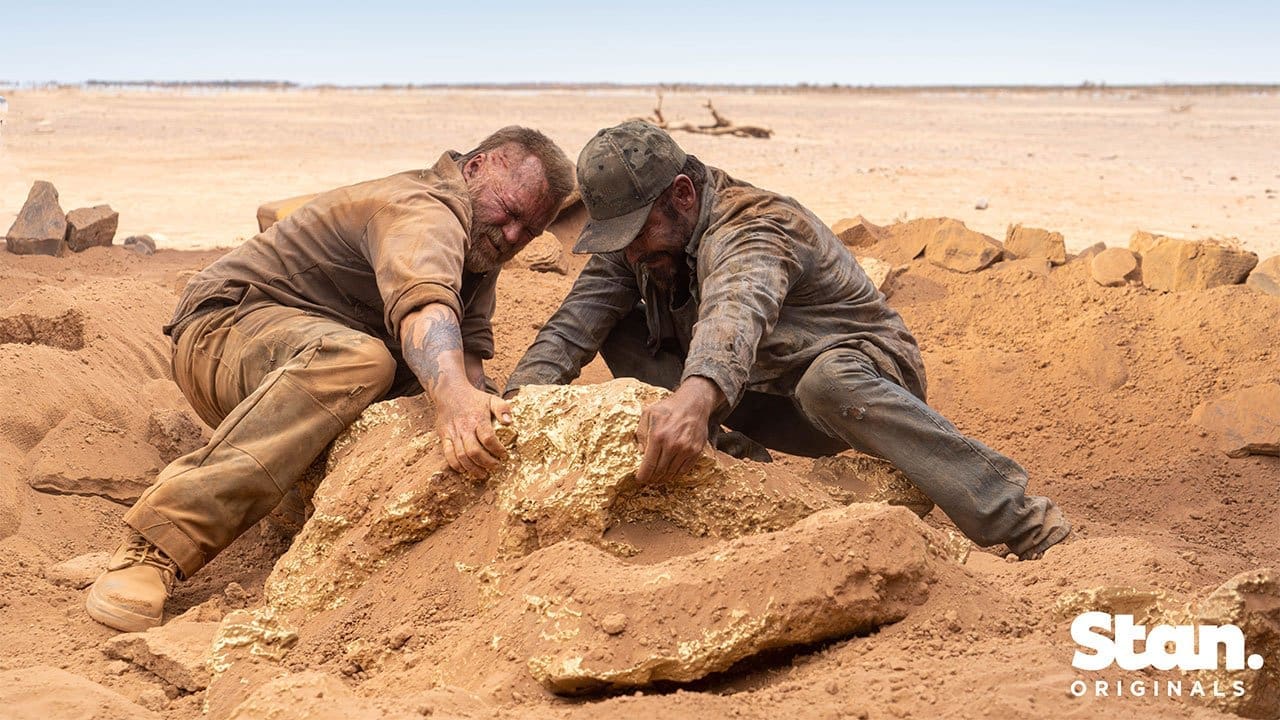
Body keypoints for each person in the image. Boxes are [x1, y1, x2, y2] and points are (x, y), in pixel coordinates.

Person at [505, 120, 1070, 560]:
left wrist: (693, 403)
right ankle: (739, 469)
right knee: (619, 324)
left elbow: (734, 312)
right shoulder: (645, 246)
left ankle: (1021, 520)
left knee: (828, 380)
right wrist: (513, 409)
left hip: (862, 383)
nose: (628, 252)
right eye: (617, 239)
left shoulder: (755, 225)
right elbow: (572, 326)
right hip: (759, 391)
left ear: (681, 194)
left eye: (635, 234)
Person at [87, 126, 575, 632]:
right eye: (512, 212)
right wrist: (452, 396)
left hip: (306, 364)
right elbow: (426, 311)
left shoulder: (482, 241)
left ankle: (296, 487)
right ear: (477, 167)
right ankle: (157, 542)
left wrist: (478, 405)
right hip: (223, 330)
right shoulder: (423, 207)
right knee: (367, 362)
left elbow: (467, 358)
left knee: (434, 393)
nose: (515, 237)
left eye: (531, 232)